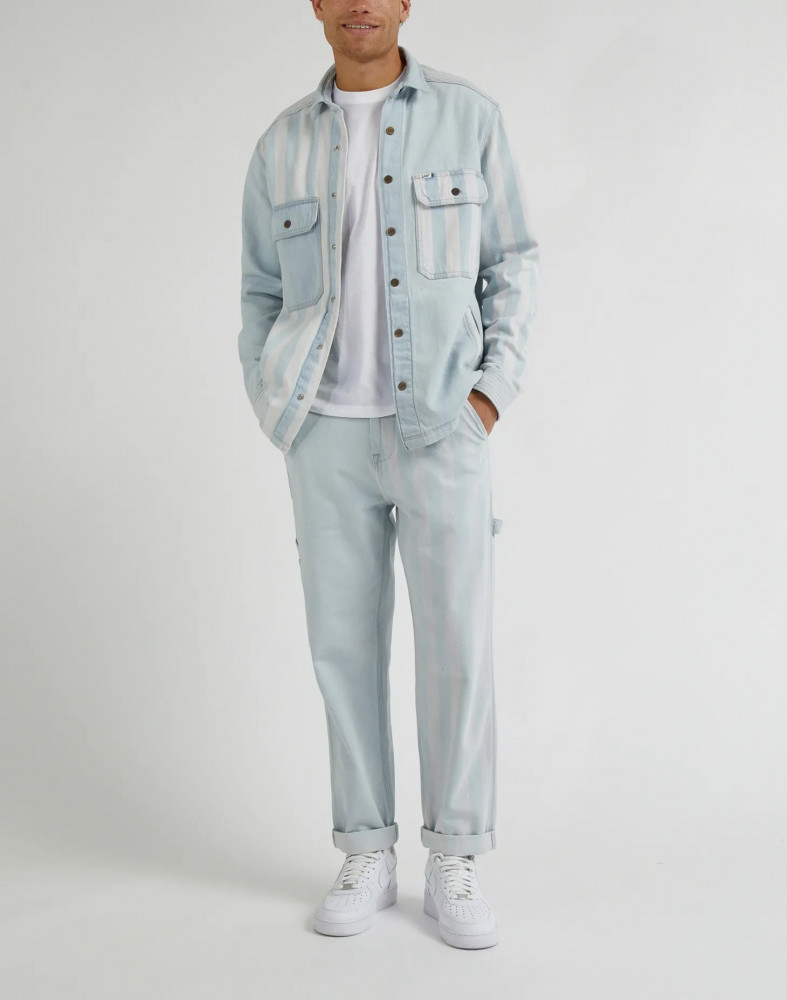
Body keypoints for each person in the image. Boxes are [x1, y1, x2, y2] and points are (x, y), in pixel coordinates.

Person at [238, 0, 539, 950]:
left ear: (405, 2)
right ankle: (365, 848)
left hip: (442, 428)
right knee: (342, 651)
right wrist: (277, 405)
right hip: (324, 434)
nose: (359, 3)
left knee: (456, 647)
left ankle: (455, 854)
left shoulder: (469, 117)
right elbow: (259, 289)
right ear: (316, 5)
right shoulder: (282, 144)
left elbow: (513, 263)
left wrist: (488, 396)